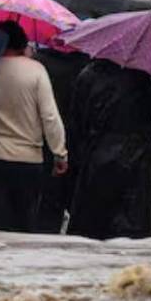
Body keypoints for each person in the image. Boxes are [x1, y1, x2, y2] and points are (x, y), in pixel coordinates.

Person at [0, 22, 66, 233]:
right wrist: (60, 153)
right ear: (22, 43)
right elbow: (50, 117)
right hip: (28, 160)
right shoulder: (36, 70)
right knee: (24, 226)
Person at [67, 60, 151, 240]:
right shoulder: (142, 77)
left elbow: (76, 121)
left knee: (90, 230)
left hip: (96, 155)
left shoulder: (88, 75)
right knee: (130, 234)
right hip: (134, 157)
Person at [33, 45, 91, 233]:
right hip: (77, 140)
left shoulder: (39, 63)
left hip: (41, 139)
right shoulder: (86, 66)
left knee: (44, 198)